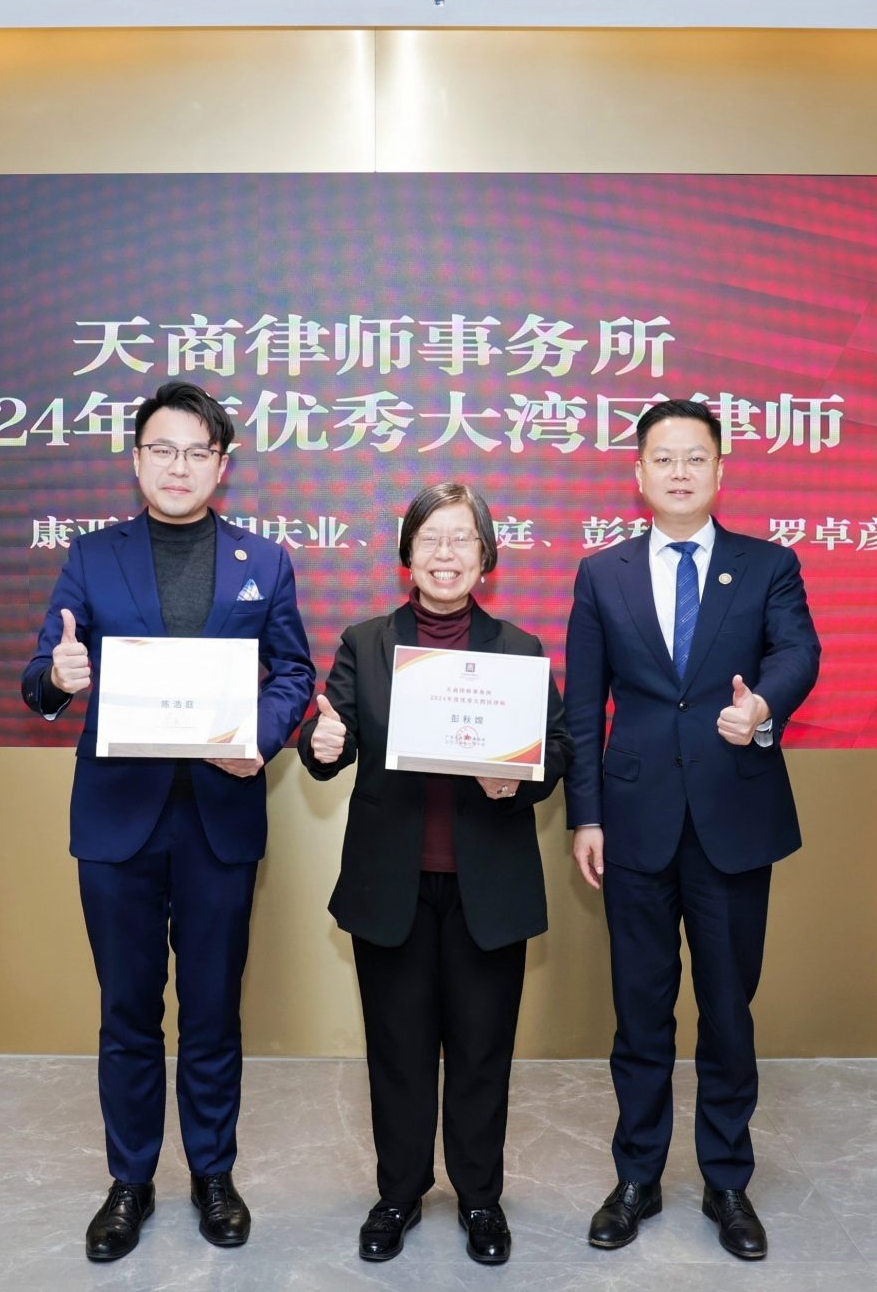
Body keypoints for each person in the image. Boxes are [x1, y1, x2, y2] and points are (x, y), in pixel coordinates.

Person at [20, 381, 316, 1263]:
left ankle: (214, 1174)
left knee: (214, 1009)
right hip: (119, 820)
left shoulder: (265, 560)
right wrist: (59, 677)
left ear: (221, 465)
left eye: (196, 452)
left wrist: (258, 738)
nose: (178, 466)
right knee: (127, 1010)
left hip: (220, 817)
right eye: (162, 449)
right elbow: (41, 671)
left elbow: (293, 673)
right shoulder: (92, 557)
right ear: (137, 459)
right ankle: (130, 1180)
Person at [564, 398, 820, 1260]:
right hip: (633, 823)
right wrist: (586, 814)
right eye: (664, 458)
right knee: (640, 1012)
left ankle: (727, 1181)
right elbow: (582, 708)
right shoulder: (601, 575)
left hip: (733, 819)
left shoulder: (767, 565)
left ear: (721, 470)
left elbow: (798, 653)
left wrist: (763, 708)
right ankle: (637, 1176)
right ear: (638, 473)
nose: (680, 471)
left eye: (695, 457)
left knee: (727, 1010)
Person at [295, 482, 571, 1268]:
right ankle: (399, 1192)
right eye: (430, 539)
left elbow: (559, 749)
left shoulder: (518, 650)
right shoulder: (366, 644)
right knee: (398, 1049)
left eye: (462, 539)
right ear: (406, 554)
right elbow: (332, 738)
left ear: (486, 557)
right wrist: (320, 742)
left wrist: (518, 780)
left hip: (489, 884)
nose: (445, 555)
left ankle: (480, 1198)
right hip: (394, 883)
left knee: (483, 1050)